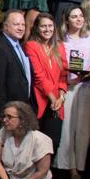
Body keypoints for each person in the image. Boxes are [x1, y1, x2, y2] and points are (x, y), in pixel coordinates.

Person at [58, 5, 90, 179]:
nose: (78, 19)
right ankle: (69, 169)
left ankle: (78, 168)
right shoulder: (61, 40)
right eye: (74, 16)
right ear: (66, 19)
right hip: (66, 88)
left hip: (84, 87)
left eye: (80, 16)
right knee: (67, 129)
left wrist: (86, 75)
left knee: (82, 130)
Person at [25, 12, 68, 154]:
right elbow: (39, 76)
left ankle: (48, 175)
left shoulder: (60, 46)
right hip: (41, 101)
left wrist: (61, 97)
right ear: (37, 28)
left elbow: (64, 74)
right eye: (43, 26)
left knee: (53, 144)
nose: (47, 29)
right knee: (36, 146)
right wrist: (53, 98)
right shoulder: (31, 45)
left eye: (50, 26)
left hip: (57, 103)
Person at [0, 10, 35, 132]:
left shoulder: (20, 46)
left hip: (20, 112)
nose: (20, 28)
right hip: (7, 117)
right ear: (5, 26)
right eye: (16, 24)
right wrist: (4, 116)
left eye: (23, 25)